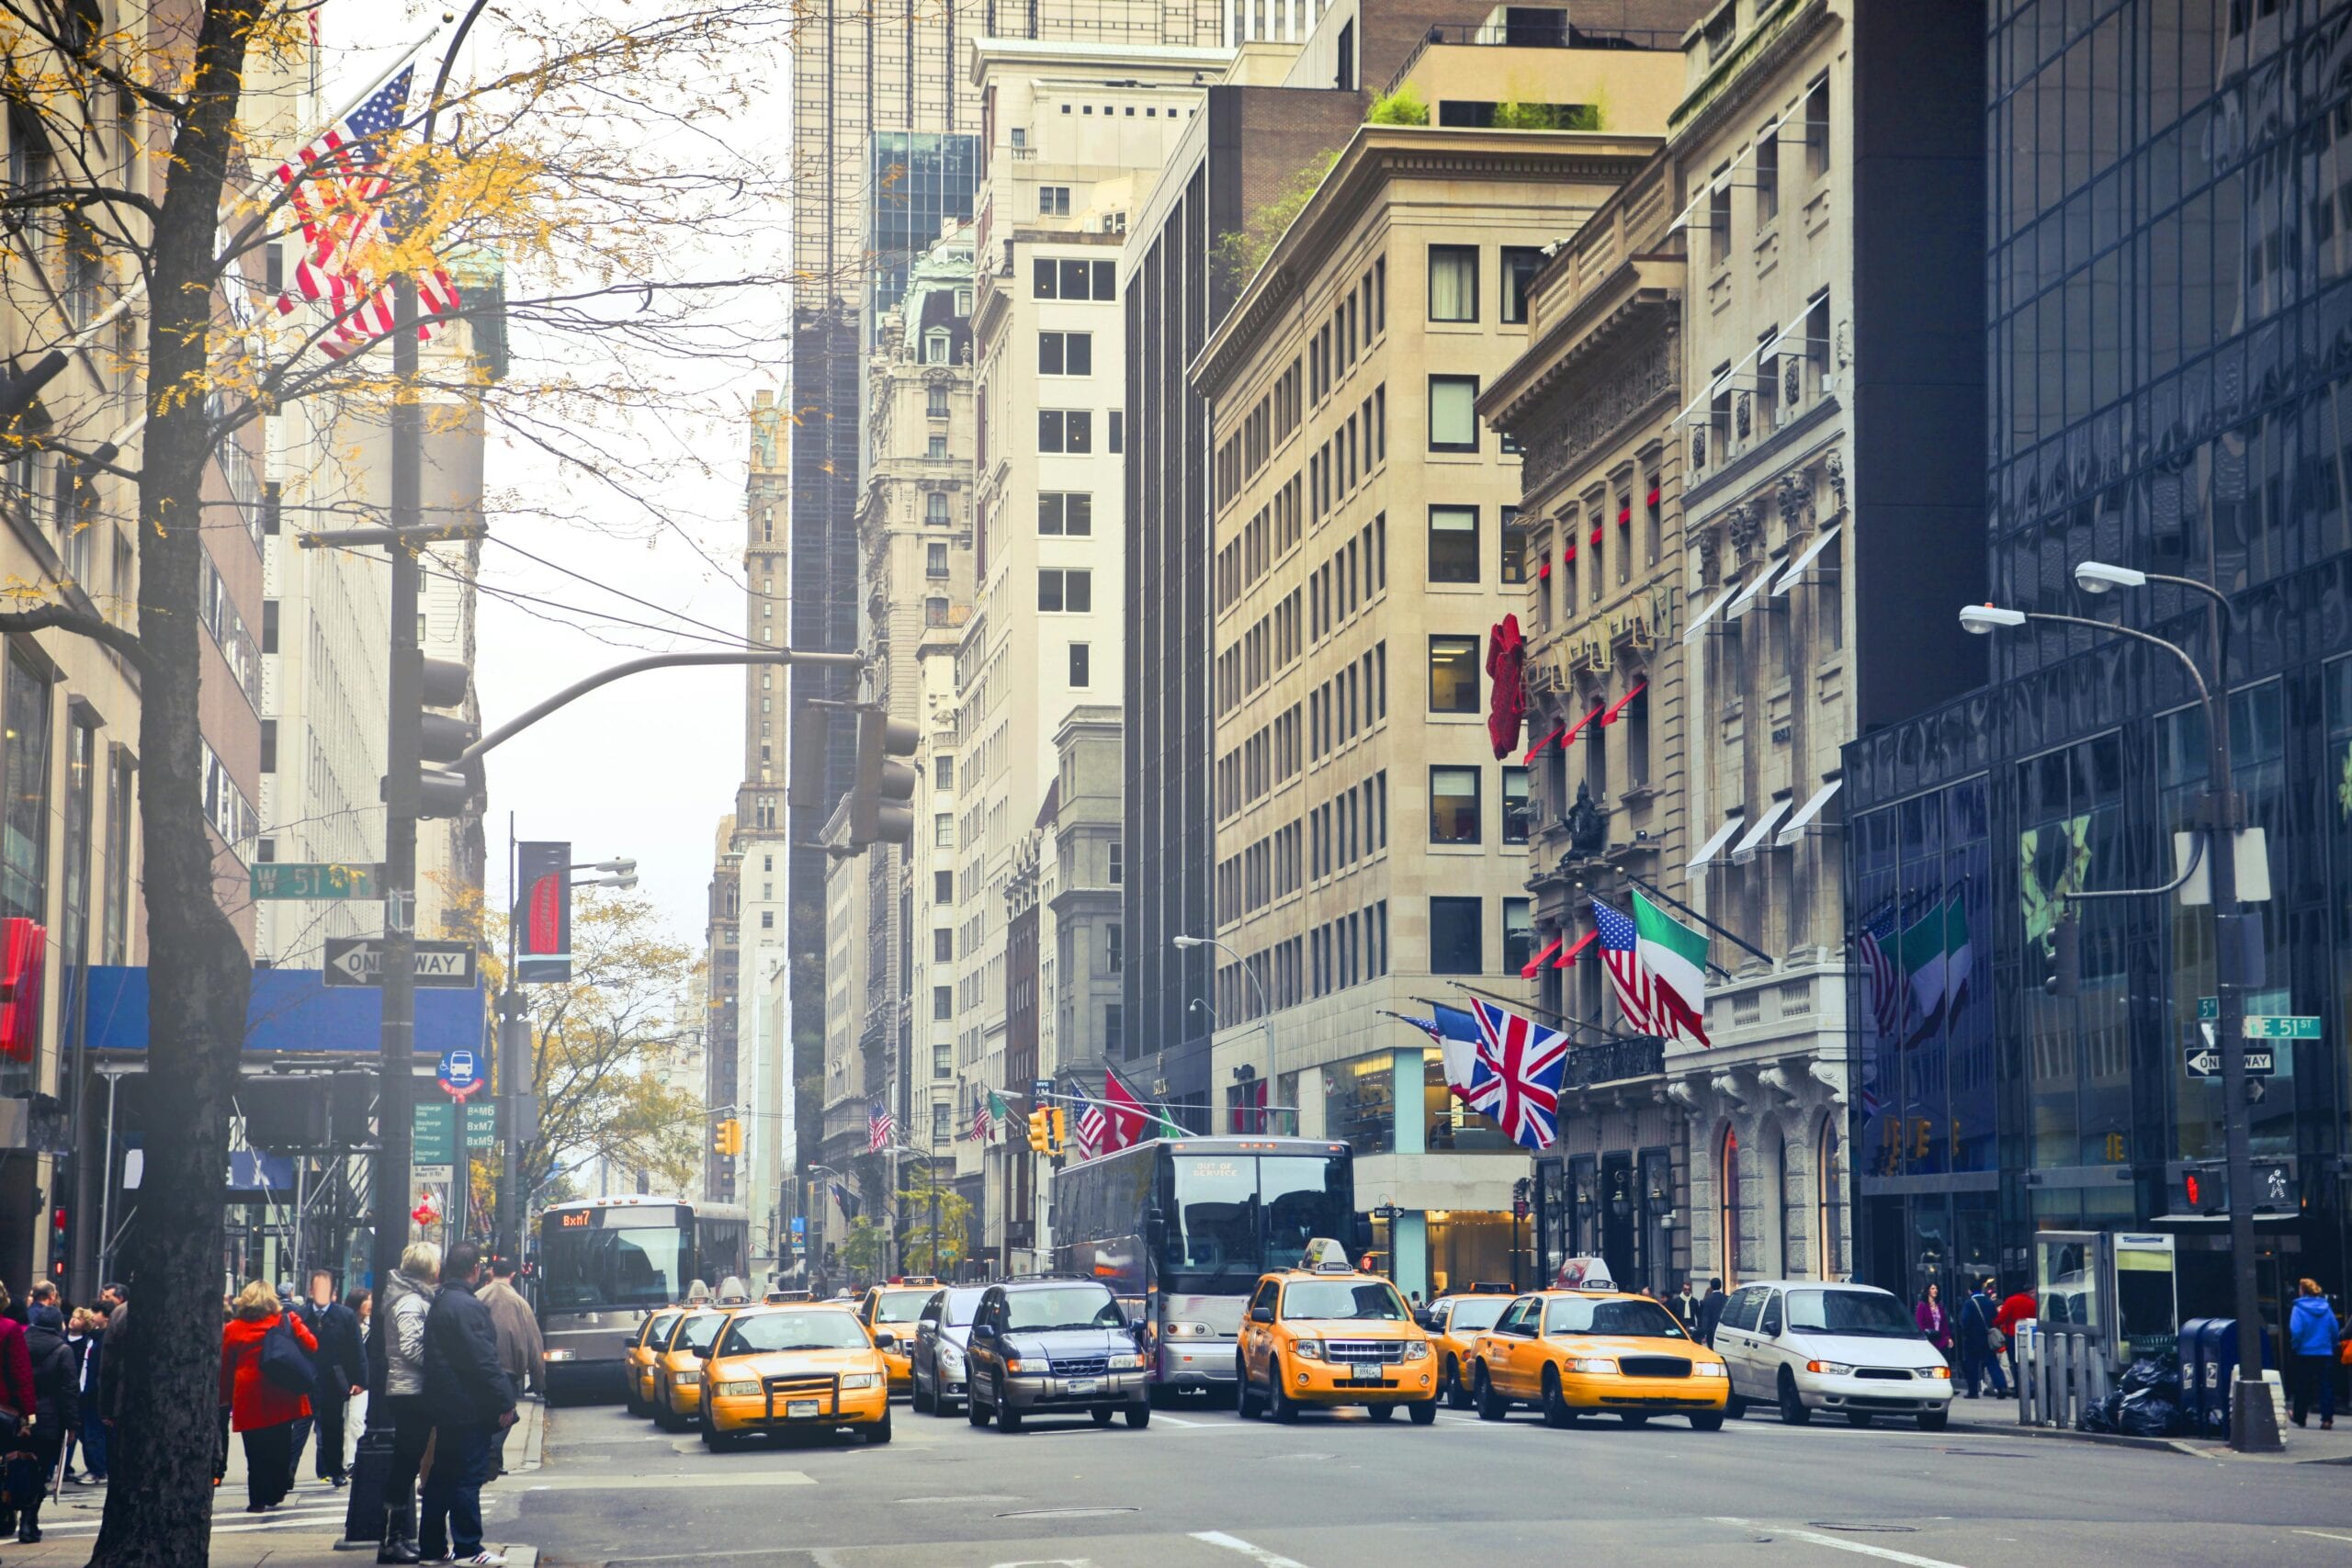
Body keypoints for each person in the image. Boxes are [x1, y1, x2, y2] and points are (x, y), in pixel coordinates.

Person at [418, 1243, 516, 1568]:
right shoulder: (465, 1306)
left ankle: (432, 1547)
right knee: (466, 1477)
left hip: (446, 1404)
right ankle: (468, 1547)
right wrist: (504, 1400)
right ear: (475, 1269)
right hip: (467, 1406)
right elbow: (483, 1360)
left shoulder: (443, 1302)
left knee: (443, 1476)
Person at [218, 1280, 316, 1517]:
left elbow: (225, 1367)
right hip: (280, 1390)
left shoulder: (232, 1329)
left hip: (248, 1394)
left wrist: (223, 1398)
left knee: (254, 1451)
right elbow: (312, 1345)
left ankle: (257, 1500)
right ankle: (277, 1489)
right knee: (281, 1445)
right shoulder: (285, 1320)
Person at [377, 1242, 438, 1566]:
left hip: (408, 1389)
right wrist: (440, 1365)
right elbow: (412, 1347)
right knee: (405, 1465)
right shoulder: (411, 1302)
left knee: (407, 1464)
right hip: (409, 1391)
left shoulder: (409, 1299)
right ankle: (391, 1541)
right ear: (429, 1269)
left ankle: (396, 1538)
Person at [13, 1293, 75, 1541]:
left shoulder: (19, 1342)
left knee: (14, 1466)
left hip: (17, 1416)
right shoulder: (62, 1350)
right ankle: (30, 1520)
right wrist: (72, 1424)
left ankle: (10, 1513)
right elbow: (69, 1390)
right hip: (50, 1418)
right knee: (40, 1471)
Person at [296, 1270, 365, 1487]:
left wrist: (359, 1380)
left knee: (333, 1426)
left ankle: (335, 1471)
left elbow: (356, 1350)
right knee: (300, 1427)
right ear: (310, 1291)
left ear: (333, 1292)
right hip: (306, 1377)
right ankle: (288, 1473)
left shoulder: (344, 1316)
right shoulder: (300, 1315)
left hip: (334, 1378)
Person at [476, 1258, 541, 1482]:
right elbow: (534, 1343)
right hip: (509, 1369)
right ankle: (494, 1456)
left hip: (479, 1369)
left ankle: (492, 1459)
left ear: (492, 1272)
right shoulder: (519, 1303)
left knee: (485, 1414)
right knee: (507, 1415)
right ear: (513, 1275)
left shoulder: (478, 1298)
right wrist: (538, 1380)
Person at [2288, 1277, 2340, 1430]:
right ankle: (2327, 1419)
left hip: (2305, 1352)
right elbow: (2334, 1329)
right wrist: (2332, 1345)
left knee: (2303, 1385)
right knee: (2326, 1386)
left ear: (2302, 1290)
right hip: (2324, 1352)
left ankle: (2300, 1417)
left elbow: (2296, 1331)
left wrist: (2296, 1346)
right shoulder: (2326, 1308)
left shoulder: (2298, 1308)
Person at [62, 1306, 104, 1483]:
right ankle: (64, 1466)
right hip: (72, 1389)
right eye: (73, 1317)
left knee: (86, 1432)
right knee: (72, 1430)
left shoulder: (88, 1342)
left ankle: (97, 1469)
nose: (73, 1320)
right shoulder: (62, 1339)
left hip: (82, 1390)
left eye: (78, 1318)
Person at [1959, 1277, 2009, 1400]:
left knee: (1972, 1365)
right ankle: (2001, 1386)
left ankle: (1973, 1391)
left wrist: (1965, 1334)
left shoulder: (1969, 1304)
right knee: (1992, 1363)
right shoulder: (1989, 1303)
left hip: (1972, 1340)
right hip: (1987, 1338)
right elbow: (1994, 1319)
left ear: (1970, 1291)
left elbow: (1965, 1321)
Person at [343, 1287, 373, 1478]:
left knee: (355, 1419)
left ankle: (353, 1461)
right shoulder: (347, 1324)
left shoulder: (372, 1327)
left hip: (363, 1382)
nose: (370, 1304)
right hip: (344, 1380)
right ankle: (347, 1461)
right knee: (347, 1419)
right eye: (366, 1300)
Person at [1994, 1280, 2039, 1386]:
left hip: (2013, 1334)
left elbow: (2001, 1318)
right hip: (2030, 1334)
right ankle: (2033, 1385)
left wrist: (1995, 1324)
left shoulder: (2010, 1301)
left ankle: (2020, 1387)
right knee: (2031, 1361)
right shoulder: (2032, 1302)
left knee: (2016, 1361)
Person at [1915, 1282, 1952, 1364]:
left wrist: (1948, 1338)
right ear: (1928, 1291)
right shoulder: (1922, 1306)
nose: (1935, 1290)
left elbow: (1944, 1324)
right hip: (1928, 1340)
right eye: (1933, 1288)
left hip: (1940, 1340)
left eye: (1936, 1289)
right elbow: (1919, 1323)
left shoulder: (1939, 1307)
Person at [1695, 1279, 1727, 1347]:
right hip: (1724, 1330)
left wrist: (1704, 1334)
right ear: (1720, 1286)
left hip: (1711, 1332)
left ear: (1711, 1286)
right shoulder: (1726, 1298)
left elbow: (1705, 1318)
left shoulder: (1707, 1301)